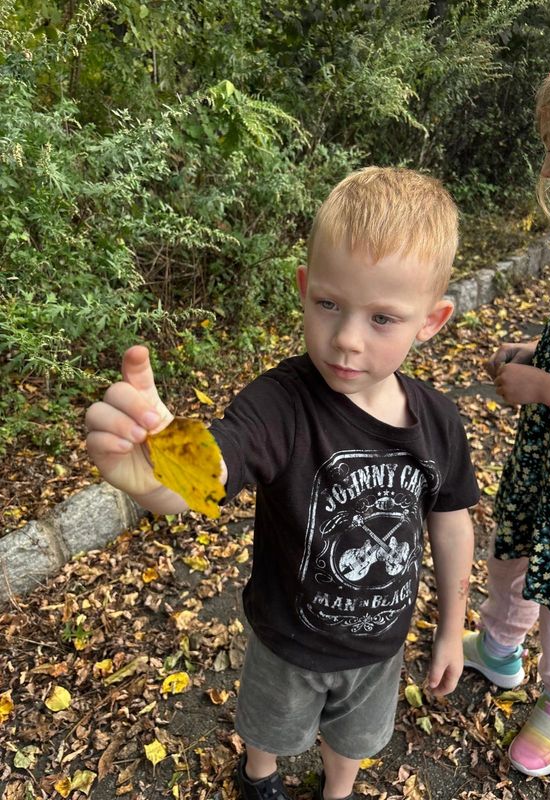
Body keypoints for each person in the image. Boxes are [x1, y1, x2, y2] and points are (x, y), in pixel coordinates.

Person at [86, 166, 479, 800]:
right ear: (304, 288)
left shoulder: (438, 422)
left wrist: (452, 625)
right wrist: (160, 467)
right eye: (328, 304)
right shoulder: (282, 404)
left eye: (383, 318)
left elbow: (451, 521)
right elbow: (222, 458)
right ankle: (259, 776)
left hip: (380, 648)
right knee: (269, 729)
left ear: (430, 321)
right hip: (287, 642)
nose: (346, 340)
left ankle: (337, 790)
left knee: (353, 741)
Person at [462, 39, 550, 778]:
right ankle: (500, 647)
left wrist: (544, 388)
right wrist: (536, 353)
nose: (548, 171)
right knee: (514, 547)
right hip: (549, 451)